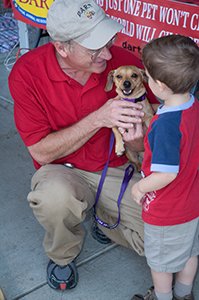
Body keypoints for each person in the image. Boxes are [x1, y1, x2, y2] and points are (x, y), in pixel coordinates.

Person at [8, 0, 159, 291]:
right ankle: (63, 255)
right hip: (63, 169)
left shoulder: (123, 64)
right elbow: (40, 151)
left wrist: (137, 138)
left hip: (119, 167)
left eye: (108, 40)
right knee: (53, 199)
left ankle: (104, 220)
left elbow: (153, 130)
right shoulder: (28, 73)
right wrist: (98, 119)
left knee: (165, 235)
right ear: (62, 47)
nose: (107, 53)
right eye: (93, 48)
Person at [131, 34, 199, 300]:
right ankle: (185, 295)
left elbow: (166, 173)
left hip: (167, 209)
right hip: (191, 201)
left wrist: (140, 187)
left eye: (147, 77)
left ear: (159, 85)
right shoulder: (193, 106)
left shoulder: (166, 125)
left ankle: (163, 298)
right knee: (190, 252)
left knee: (160, 263)